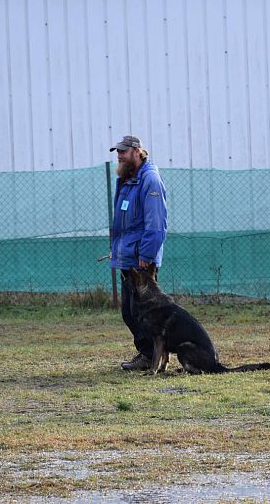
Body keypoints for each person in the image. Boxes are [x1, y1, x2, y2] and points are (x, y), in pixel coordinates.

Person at [109, 135, 168, 371]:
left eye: (123, 151)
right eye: (118, 152)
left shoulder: (149, 180)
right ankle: (148, 353)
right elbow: (123, 224)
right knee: (129, 312)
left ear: (136, 151)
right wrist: (117, 251)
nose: (119, 156)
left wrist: (147, 254)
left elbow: (156, 223)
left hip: (141, 260)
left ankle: (151, 355)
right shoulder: (127, 179)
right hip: (127, 256)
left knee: (143, 312)